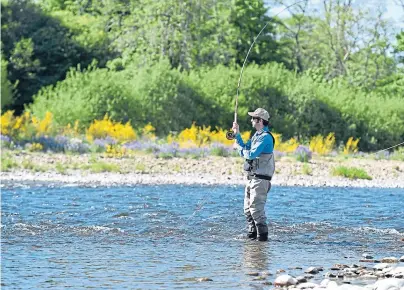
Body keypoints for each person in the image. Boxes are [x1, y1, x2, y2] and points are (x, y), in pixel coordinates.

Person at [232, 108, 275, 242]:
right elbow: (245, 147)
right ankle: (252, 241)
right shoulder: (256, 135)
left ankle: (262, 240)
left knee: (256, 211)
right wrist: (237, 134)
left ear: (260, 121)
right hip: (252, 178)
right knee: (248, 210)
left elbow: (251, 154)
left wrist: (238, 149)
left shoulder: (266, 137)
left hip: (261, 180)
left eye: (254, 118)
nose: (251, 120)